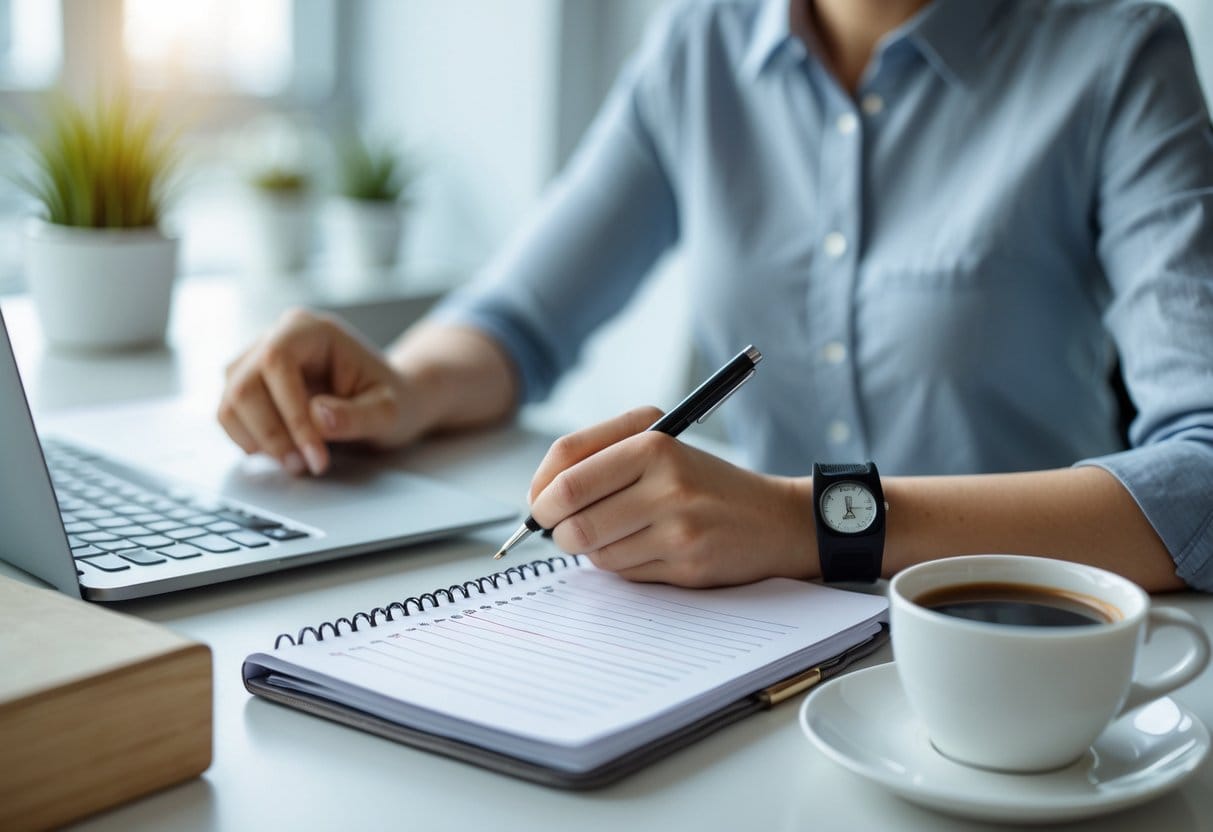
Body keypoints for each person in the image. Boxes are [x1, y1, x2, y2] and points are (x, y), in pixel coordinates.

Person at [218, 0, 1213, 593]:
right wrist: (397, 385)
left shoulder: (1117, 54)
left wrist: (806, 522)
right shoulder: (702, 45)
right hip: (762, 644)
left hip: (1027, 649)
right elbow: (519, 320)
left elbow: (1202, 474)